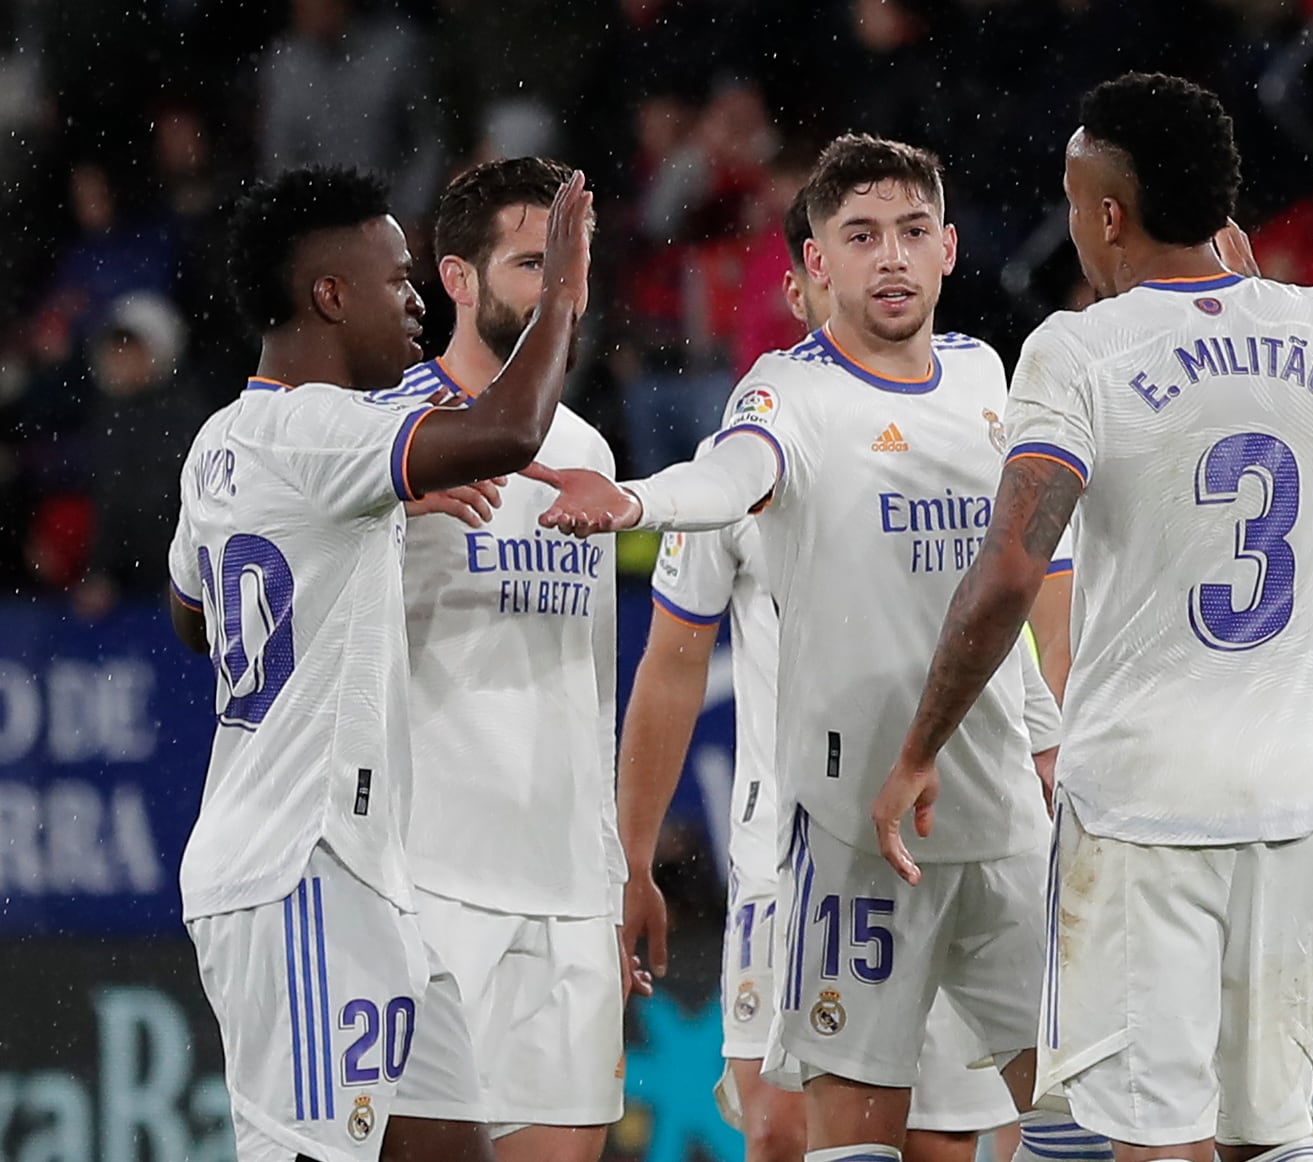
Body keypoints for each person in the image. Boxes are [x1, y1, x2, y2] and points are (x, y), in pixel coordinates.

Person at [872, 72, 1313, 1161]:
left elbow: (1005, 575)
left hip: (1145, 807)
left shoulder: (1079, 352)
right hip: (1299, 798)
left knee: (1151, 1139)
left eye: (1078, 200)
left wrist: (919, 746)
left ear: (1110, 214)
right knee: (1270, 1133)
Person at [529, 134, 1070, 1162]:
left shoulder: (985, 379)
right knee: (800, 1130)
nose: (893, 258)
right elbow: (731, 478)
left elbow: (1014, 586)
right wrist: (638, 501)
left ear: (951, 248)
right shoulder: (785, 393)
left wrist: (1051, 734)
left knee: (1059, 1117)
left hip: (997, 819)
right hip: (841, 831)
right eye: (861, 237)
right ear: (815, 267)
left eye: (913, 232)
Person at [165, 163, 591, 1162]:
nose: (413, 302)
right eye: (395, 280)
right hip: (298, 865)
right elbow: (508, 428)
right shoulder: (322, 428)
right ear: (328, 294)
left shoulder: (223, 442)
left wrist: (364, 504)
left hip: (359, 870)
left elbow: (195, 617)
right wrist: (561, 293)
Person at [383, 156, 623, 1161]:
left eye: (568, 263)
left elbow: (595, 671)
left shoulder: (589, 452)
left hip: (568, 887)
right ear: (456, 278)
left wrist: (609, 877)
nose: (557, 291)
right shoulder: (387, 434)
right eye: (533, 264)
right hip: (427, 885)